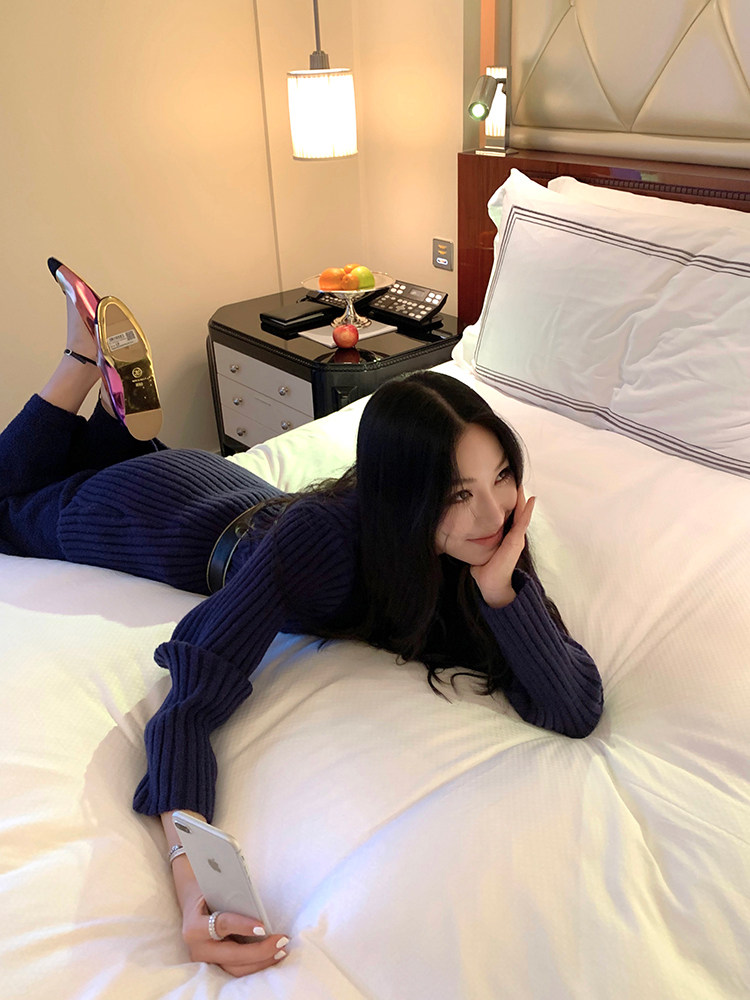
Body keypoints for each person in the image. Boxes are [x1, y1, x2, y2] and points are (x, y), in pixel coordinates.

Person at [0, 264, 603, 978]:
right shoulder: (323, 541)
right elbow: (194, 688)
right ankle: (80, 362)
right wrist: (192, 877)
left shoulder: (486, 539)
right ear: (403, 498)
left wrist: (503, 592)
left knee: (63, 475)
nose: (495, 512)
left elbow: (574, 708)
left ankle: (116, 422)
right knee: (11, 507)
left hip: (230, 488)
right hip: (164, 520)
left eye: (501, 475)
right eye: (456, 493)